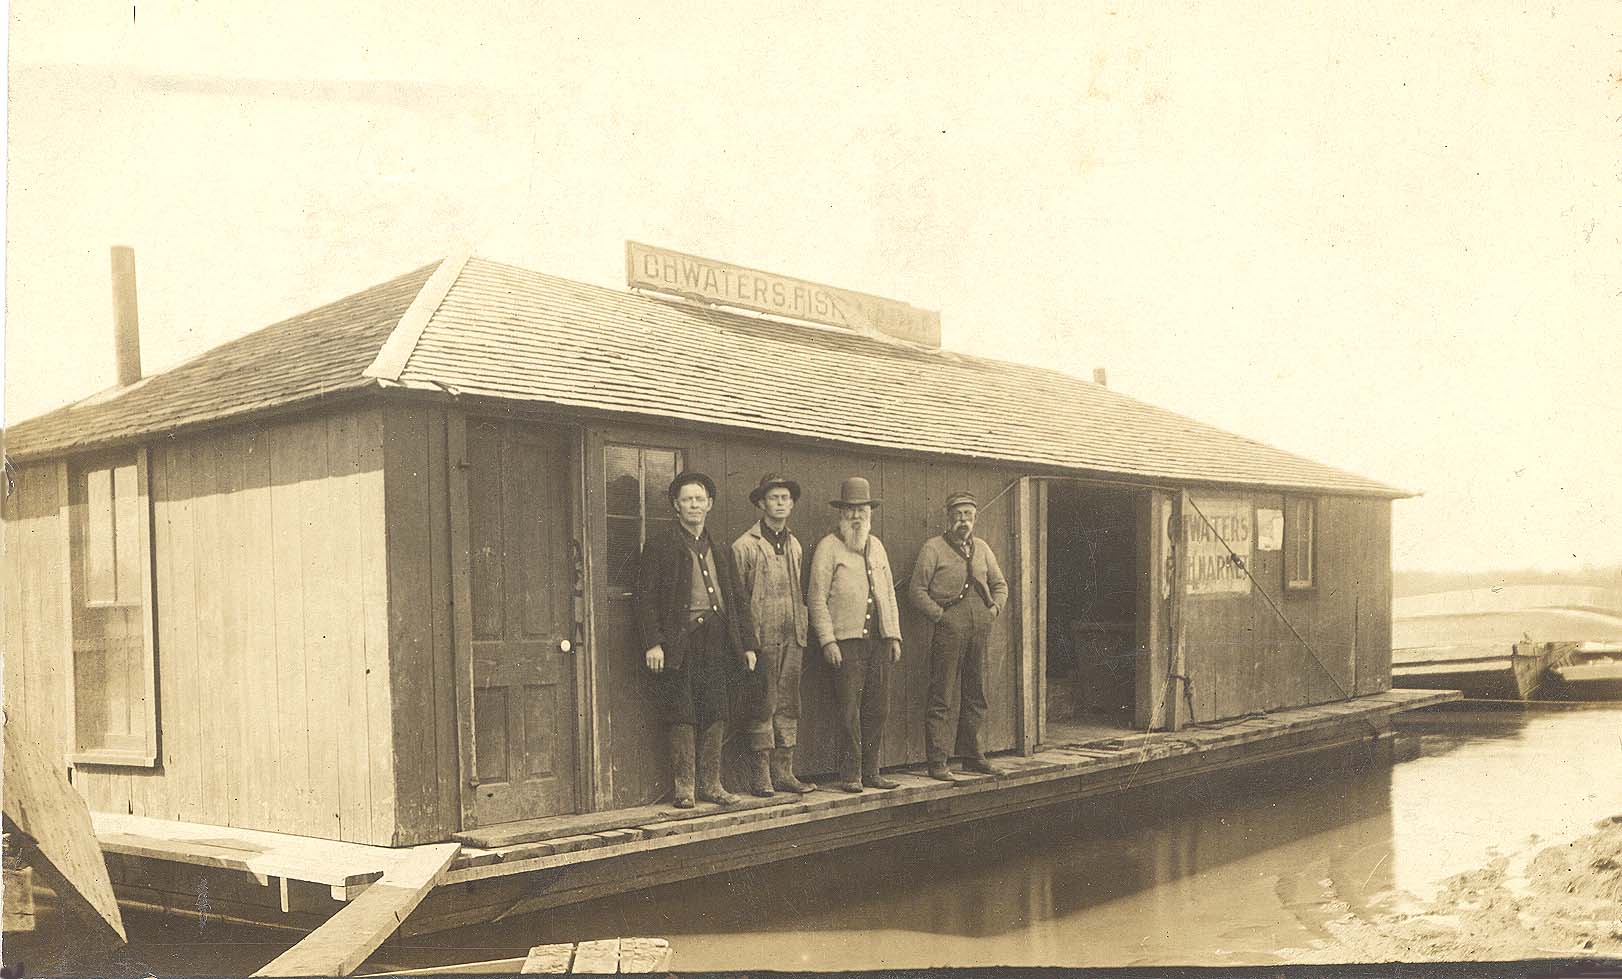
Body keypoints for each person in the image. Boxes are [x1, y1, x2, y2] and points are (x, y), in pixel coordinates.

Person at [634, 471, 759, 808]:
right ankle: (685, 788)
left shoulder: (720, 549)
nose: (694, 505)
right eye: (687, 499)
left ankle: (712, 785)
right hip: (680, 642)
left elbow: (737, 601)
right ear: (676, 505)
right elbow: (645, 600)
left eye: (699, 499)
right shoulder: (660, 546)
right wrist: (653, 643)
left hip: (717, 639)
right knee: (683, 710)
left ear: (710, 505)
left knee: (717, 709)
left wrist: (747, 645)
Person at [808, 476, 903, 793]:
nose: (856, 516)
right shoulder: (828, 547)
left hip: (878, 642)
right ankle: (851, 775)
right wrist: (827, 640)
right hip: (846, 645)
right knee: (849, 710)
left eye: (862, 509)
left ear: (870, 512)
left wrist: (894, 635)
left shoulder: (877, 547)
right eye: (850, 510)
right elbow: (816, 598)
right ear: (841, 513)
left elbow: (888, 594)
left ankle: (872, 771)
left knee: (878, 707)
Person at [908, 490, 1010, 782]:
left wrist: (994, 610)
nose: (963, 521)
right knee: (942, 695)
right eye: (957, 515)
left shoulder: (983, 548)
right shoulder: (933, 548)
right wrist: (940, 616)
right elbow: (917, 591)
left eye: (968, 515)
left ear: (975, 518)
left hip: (980, 629)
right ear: (948, 517)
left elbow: (1000, 584)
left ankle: (971, 756)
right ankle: (938, 761)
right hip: (949, 630)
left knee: (976, 693)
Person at [732, 473, 816, 796]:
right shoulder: (745, 547)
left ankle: (785, 772)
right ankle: (761, 775)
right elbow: (738, 601)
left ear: (791, 504)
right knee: (763, 703)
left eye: (785, 498)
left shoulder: (794, 545)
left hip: (793, 636)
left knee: (789, 703)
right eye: (773, 498)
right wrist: (747, 643)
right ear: (761, 503)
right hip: (761, 639)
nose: (780, 503)